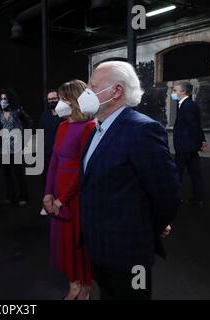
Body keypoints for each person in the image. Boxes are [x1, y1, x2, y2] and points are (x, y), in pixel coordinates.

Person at [79, 61, 180, 300]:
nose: (86, 93)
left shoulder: (141, 130)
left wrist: (148, 228)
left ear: (116, 91)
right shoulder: (97, 130)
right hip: (100, 249)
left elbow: (167, 193)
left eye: (93, 87)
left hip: (130, 254)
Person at [43, 80, 96, 300]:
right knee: (63, 242)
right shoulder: (63, 126)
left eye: (64, 98)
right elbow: (54, 160)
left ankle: (84, 286)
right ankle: (73, 283)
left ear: (74, 101)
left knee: (77, 243)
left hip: (75, 197)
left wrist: (61, 200)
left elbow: (82, 169)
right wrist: (47, 193)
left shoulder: (90, 127)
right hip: (57, 192)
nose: (59, 103)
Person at [0, 89, 33, 207]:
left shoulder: (17, 111)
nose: (3, 101)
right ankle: (11, 196)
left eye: (5, 99)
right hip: (4, 148)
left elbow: (29, 121)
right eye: (1, 99)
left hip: (16, 148)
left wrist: (24, 136)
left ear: (10, 100)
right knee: (7, 174)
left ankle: (23, 196)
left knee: (19, 173)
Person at [172, 81, 208, 208]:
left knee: (178, 173)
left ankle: (175, 199)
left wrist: (201, 143)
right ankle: (198, 199)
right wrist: (201, 141)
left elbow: (194, 126)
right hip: (189, 146)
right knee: (194, 173)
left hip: (185, 147)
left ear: (183, 92)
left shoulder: (187, 106)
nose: (173, 93)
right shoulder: (187, 104)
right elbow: (197, 125)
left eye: (175, 91)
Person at [38, 89, 63, 168]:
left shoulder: (64, 115)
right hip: (47, 153)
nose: (52, 101)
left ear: (59, 99)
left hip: (61, 153)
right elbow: (40, 132)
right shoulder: (45, 115)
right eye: (49, 99)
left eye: (54, 98)